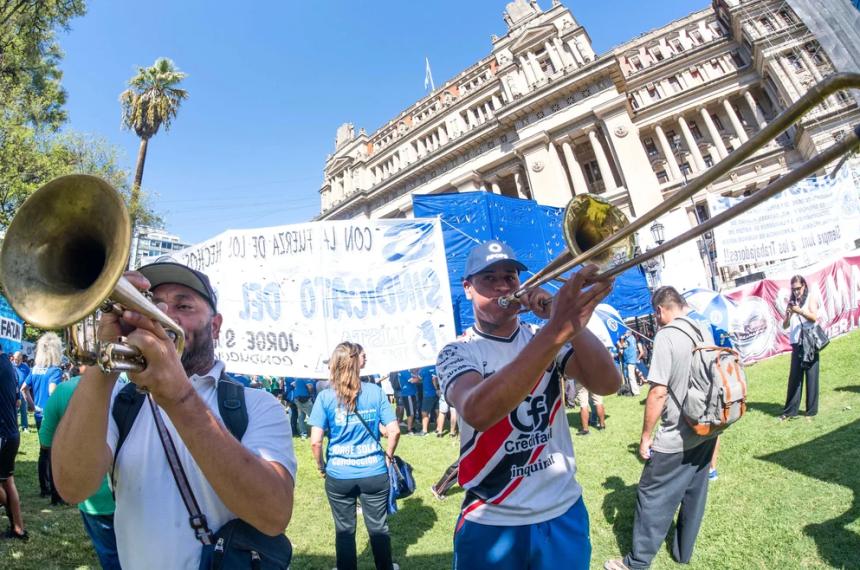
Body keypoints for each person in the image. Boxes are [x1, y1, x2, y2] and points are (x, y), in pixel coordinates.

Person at [52, 262, 296, 569]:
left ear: (216, 325)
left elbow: (273, 515)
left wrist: (179, 396)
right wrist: (104, 355)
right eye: (152, 304)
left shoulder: (258, 404)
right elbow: (72, 487)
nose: (164, 315)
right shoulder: (119, 402)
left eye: (183, 305)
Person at [436, 240, 621, 570]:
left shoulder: (542, 333)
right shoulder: (457, 351)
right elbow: (478, 411)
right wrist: (556, 330)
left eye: (510, 277)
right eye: (488, 279)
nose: (502, 286)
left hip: (562, 510)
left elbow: (608, 383)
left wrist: (563, 322)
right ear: (467, 288)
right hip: (492, 517)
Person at [605, 286, 719, 570]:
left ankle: (638, 561)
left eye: (655, 315)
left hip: (677, 433)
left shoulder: (667, 335)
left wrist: (645, 437)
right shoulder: (700, 327)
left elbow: (658, 392)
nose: (655, 320)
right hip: (705, 426)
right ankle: (683, 552)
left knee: (650, 492)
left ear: (660, 310)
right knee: (695, 489)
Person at [309, 341, 401, 570]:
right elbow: (395, 430)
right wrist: (388, 456)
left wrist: (321, 466)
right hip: (374, 472)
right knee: (379, 528)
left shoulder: (325, 397)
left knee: (344, 530)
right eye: (363, 355)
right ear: (355, 362)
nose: (366, 358)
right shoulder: (375, 392)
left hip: (339, 475)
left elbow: (315, 441)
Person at [40, 364, 120, 568]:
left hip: (93, 499)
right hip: (127, 492)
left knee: (111, 558)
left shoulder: (62, 390)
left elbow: (45, 442)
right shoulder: (125, 384)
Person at [22, 332, 63, 498]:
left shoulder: (35, 369)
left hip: (39, 415)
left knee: (43, 452)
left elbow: (23, 388)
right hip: (51, 417)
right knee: (54, 453)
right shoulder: (55, 370)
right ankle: (55, 493)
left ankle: (44, 489)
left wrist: (33, 407)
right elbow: (52, 391)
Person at [779, 274, 820, 420]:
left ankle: (811, 410)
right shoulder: (791, 302)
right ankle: (790, 411)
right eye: (794, 289)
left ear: (804, 286)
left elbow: (814, 317)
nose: (796, 292)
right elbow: (785, 326)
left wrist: (800, 311)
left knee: (811, 375)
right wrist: (788, 315)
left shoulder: (810, 298)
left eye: (798, 288)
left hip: (809, 340)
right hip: (796, 342)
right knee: (795, 377)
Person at [0, 348, 27, 540]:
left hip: (2, 434)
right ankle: (18, 528)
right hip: (10, 433)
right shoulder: (8, 365)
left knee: (7, 483)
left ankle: (16, 524)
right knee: (8, 481)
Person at [11, 352, 29, 432]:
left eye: (18, 359)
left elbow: (30, 378)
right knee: (13, 410)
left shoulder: (26, 367)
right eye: (15, 359)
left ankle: (24, 427)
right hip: (12, 392)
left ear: (21, 359)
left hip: (23, 392)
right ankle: (14, 426)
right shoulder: (10, 366)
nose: (16, 361)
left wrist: (27, 387)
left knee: (23, 410)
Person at [419, 366, 440, 436]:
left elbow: (419, 378)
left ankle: (424, 431)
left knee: (424, 412)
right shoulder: (437, 367)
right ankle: (438, 429)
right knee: (438, 412)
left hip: (428, 394)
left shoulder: (424, 368)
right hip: (438, 393)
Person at [619, 331, 641, 396]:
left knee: (631, 376)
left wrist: (622, 339)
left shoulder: (629, 339)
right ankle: (633, 390)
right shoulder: (632, 338)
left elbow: (623, 345)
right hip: (631, 359)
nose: (624, 334)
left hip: (630, 360)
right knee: (631, 376)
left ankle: (636, 392)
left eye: (625, 333)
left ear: (628, 333)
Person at [398, 368, 419, 434]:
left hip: (409, 393)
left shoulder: (405, 370)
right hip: (408, 394)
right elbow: (412, 381)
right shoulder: (404, 370)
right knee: (411, 412)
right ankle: (409, 429)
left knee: (412, 411)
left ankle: (411, 427)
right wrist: (420, 378)